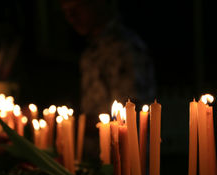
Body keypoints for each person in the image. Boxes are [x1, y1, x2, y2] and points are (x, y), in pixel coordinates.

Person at [60, 0, 156, 160]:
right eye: (66, 11)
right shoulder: (91, 50)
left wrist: (77, 125)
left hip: (123, 158)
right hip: (94, 158)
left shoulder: (124, 47)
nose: (71, 17)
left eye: (77, 8)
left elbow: (130, 112)